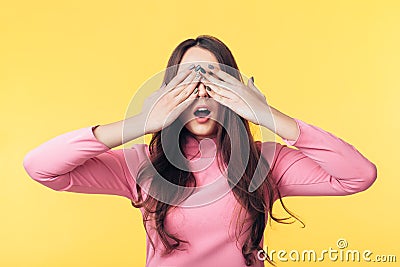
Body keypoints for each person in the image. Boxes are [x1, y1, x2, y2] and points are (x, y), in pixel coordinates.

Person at [22, 35, 377, 267]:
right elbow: (41, 167)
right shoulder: (142, 166)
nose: (202, 91)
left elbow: (359, 176)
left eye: (213, 79)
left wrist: (268, 116)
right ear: (169, 95)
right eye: (188, 81)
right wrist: (141, 122)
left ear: (233, 92)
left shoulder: (264, 162)